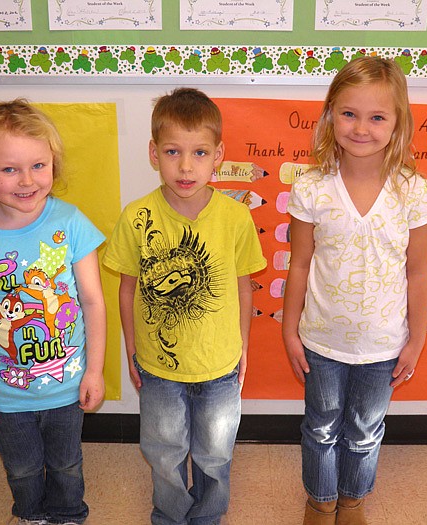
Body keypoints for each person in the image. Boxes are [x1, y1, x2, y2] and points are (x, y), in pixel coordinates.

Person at [282, 57, 427, 525]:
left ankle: (352, 500)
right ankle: (320, 500)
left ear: (397, 123)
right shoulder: (312, 188)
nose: (362, 128)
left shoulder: (415, 193)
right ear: (330, 114)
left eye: (377, 117)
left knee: (365, 432)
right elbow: (300, 265)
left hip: (384, 346)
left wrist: (417, 338)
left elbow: (418, 274)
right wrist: (290, 332)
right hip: (322, 342)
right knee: (321, 428)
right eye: (349, 113)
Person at [103, 87, 266, 525]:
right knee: (164, 451)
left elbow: (244, 286)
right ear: (154, 153)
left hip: (220, 365)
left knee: (214, 453)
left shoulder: (236, 217)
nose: (186, 166)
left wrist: (243, 347)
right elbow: (127, 288)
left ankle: (209, 516)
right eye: (173, 151)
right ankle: (171, 517)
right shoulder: (136, 217)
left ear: (219, 156)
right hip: (158, 367)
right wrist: (132, 348)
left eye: (199, 152)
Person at [0, 99, 106, 525]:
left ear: (53, 162)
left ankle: (70, 514)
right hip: (4, 390)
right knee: (21, 468)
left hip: (66, 384)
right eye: (9, 169)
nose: (27, 181)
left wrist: (95, 371)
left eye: (38, 165)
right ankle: (32, 514)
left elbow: (93, 301)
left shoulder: (70, 223)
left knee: (67, 464)